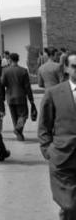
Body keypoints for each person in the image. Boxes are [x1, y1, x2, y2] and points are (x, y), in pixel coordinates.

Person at [39, 51, 76, 219]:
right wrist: (48, 150)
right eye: (75, 66)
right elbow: (44, 126)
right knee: (69, 205)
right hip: (63, 157)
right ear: (67, 68)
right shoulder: (54, 93)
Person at [1, 52, 36, 141]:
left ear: (10, 60)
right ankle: (17, 130)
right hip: (21, 96)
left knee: (14, 117)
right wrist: (31, 99)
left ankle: (19, 135)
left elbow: (2, 84)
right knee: (23, 115)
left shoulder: (5, 70)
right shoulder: (23, 71)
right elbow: (27, 86)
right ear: (18, 60)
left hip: (10, 97)